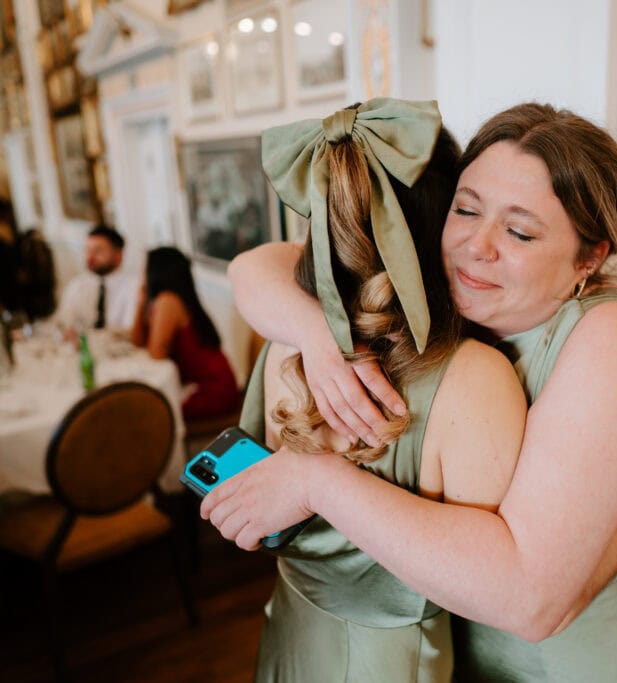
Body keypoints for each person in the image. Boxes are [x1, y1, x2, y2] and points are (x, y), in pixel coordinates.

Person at [206, 103, 617, 681]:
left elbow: (536, 607)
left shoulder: (609, 337)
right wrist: (316, 333)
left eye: (520, 231)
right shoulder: (448, 296)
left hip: (553, 665)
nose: (475, 246)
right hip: (451, 651)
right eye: (465, 209)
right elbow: (256, 268)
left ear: (590, 256)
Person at [228, 99, 526, 680]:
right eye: (466, 211)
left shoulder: (284, 344)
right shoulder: (475, 378)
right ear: (440, 223)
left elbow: (255, 265)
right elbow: (496, 590)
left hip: (287, 638)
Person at [131, 246, 239, 419]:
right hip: (201, 383)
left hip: (211, 390)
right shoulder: (169, 299)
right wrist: (140, 301)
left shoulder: (168, 301)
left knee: (149, 411)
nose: (142, 274)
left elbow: (156, 354)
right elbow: (136, 341)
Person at [53, 224, 138, 332]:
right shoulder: (77, 285)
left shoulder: (134, 286)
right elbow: (63, 323)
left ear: (118, 255)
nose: (90, 257)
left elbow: (130, 329)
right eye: (88, 250)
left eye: (98, 250)